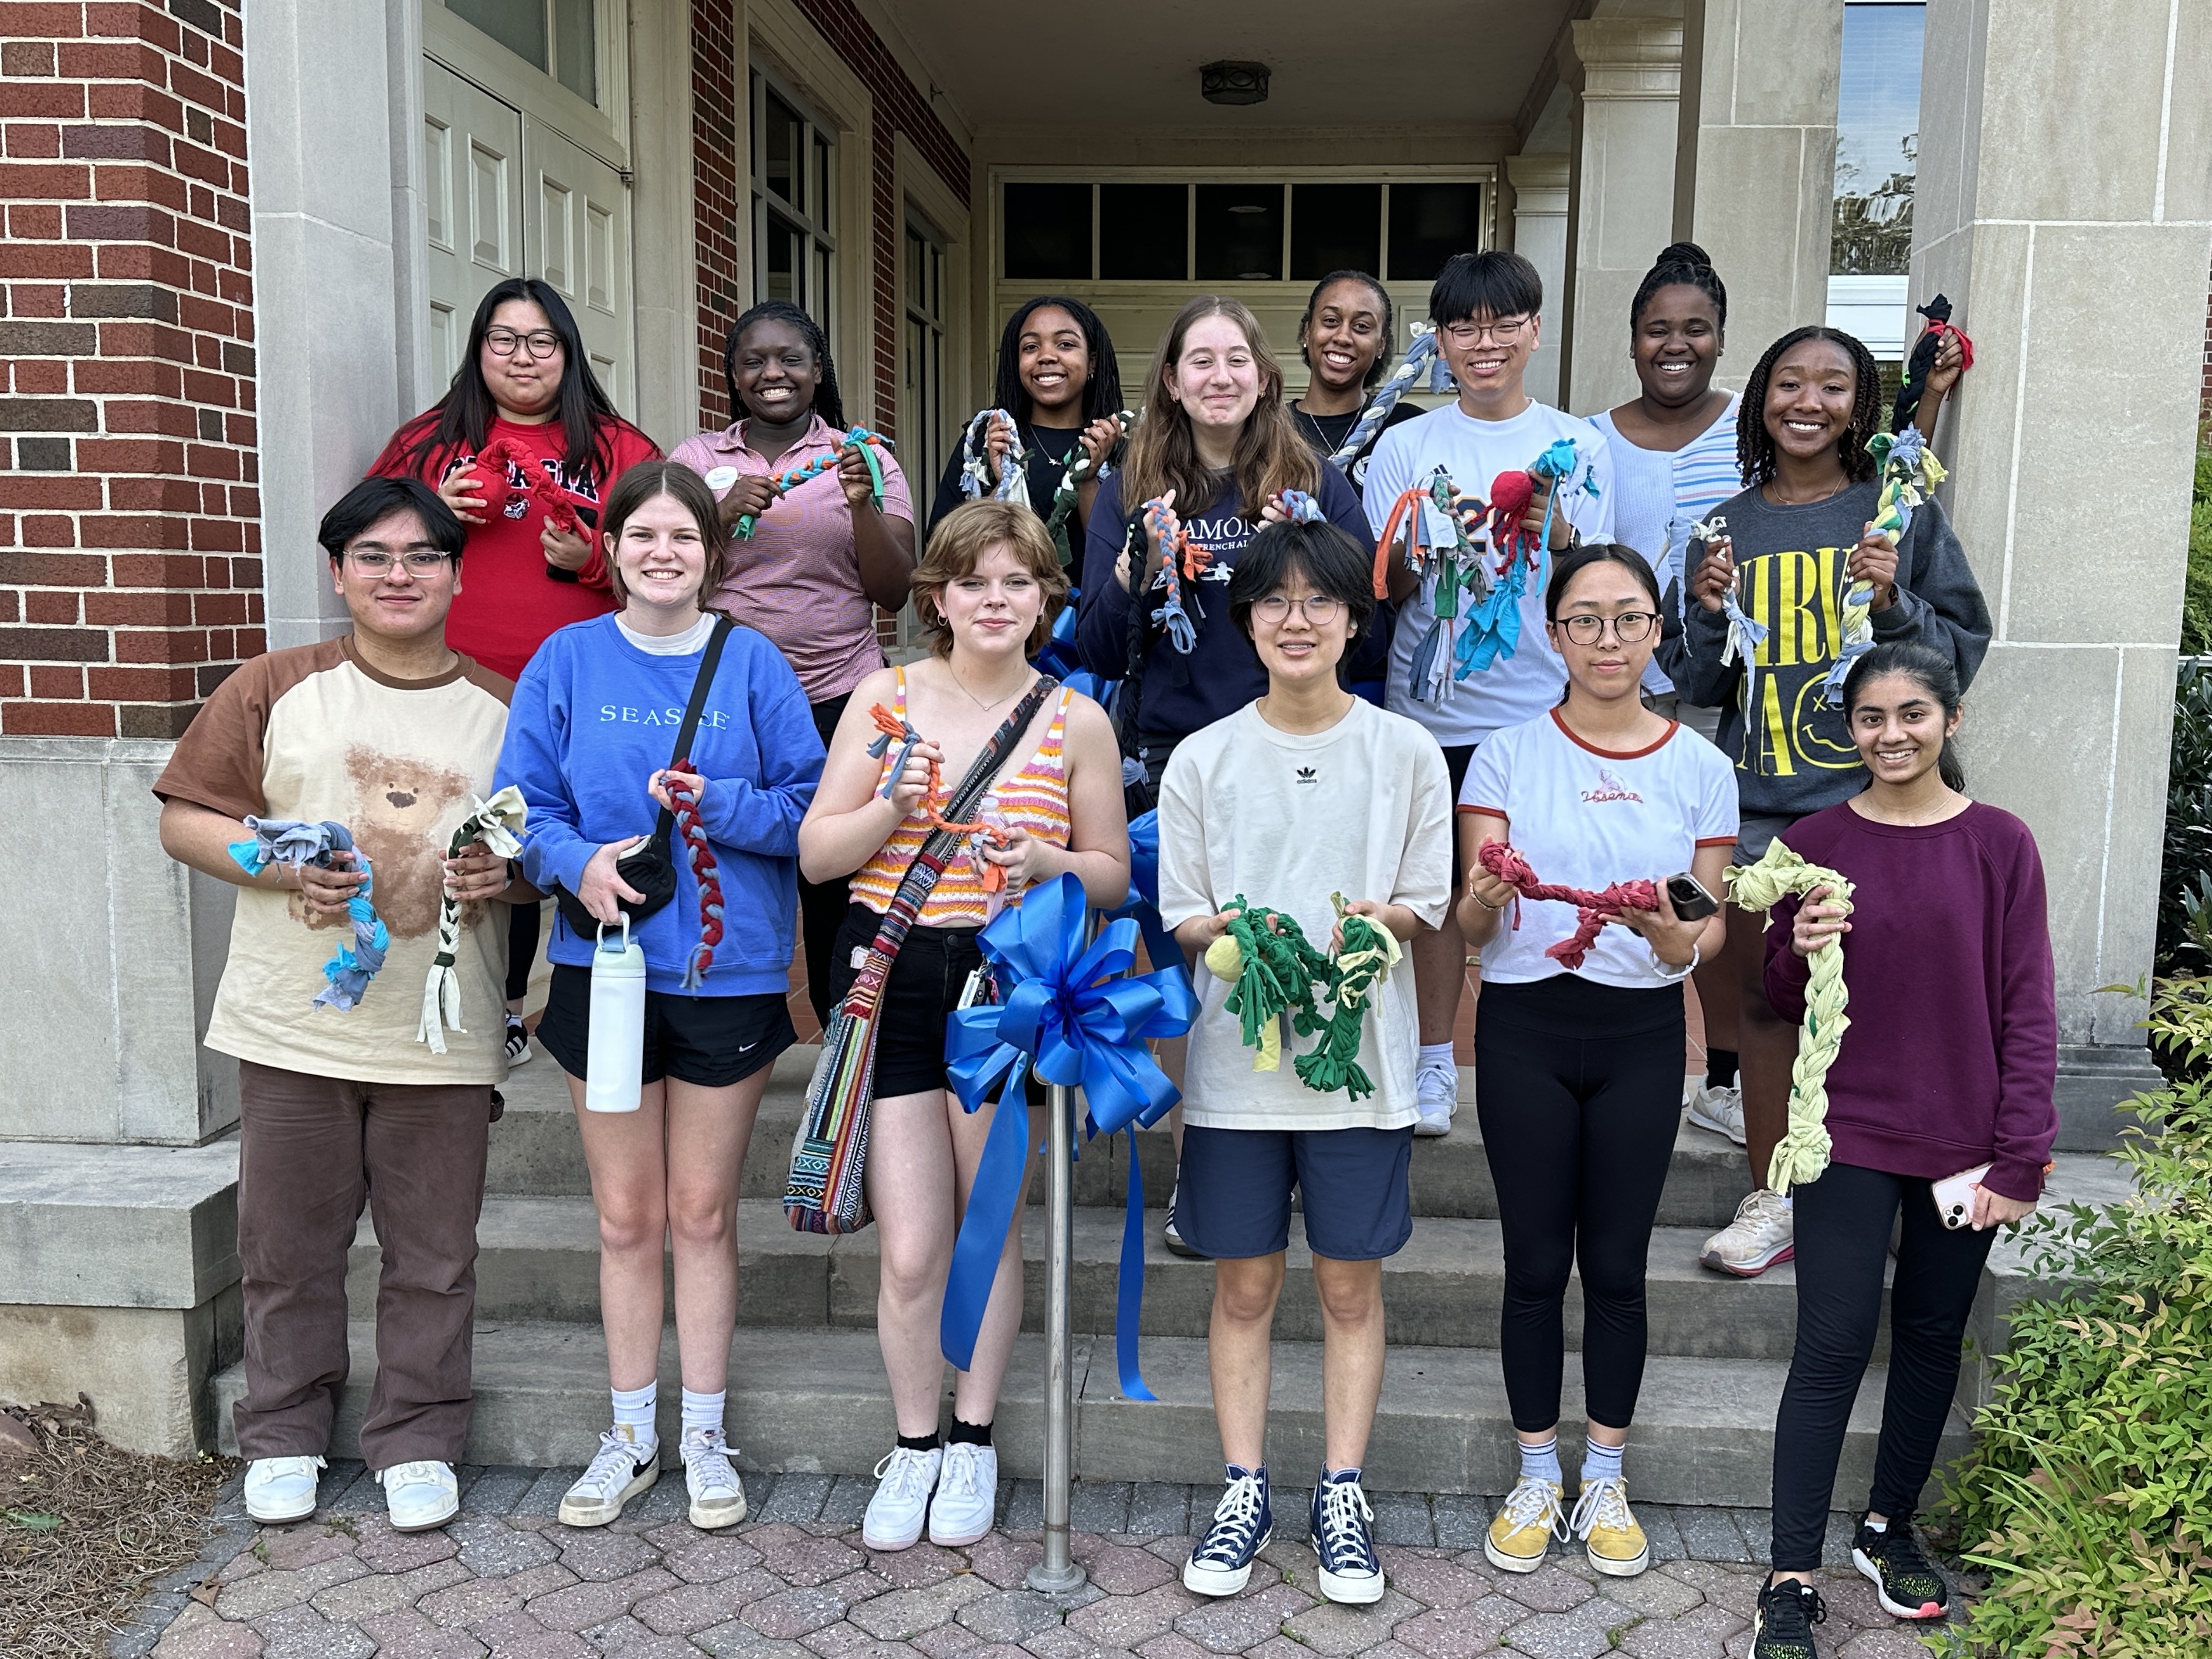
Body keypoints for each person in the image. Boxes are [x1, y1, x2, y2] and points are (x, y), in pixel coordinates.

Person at [154, 476, 523, 1534]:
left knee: (435, 1256)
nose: (398, 574)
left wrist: (509, 875)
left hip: (440, 1031)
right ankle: (283, 1431)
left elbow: (541, 848)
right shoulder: (276, 684)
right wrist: (277, 869)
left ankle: (418, 1435)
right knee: (285, 1248)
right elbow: (186, 816)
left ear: (456, 573)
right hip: (293, 1024)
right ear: (338, 572)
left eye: (422, 555)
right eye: (374, 555)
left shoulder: (506, 706)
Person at [496, 462, 825, 1532]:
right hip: (604, 970)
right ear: (612, 548)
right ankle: (631, 1431)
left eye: (684, 535)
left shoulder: (754, 661)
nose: (663, 553)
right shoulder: (566, 658)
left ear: (712, 553)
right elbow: (519, 807)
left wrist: (718, 803)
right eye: (643, 534)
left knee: (701, 1212)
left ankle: (705, 1433)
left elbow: (811, 812)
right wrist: (576, 862)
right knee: (627, 1216)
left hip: (725, 973)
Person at [798, 500, 1129, 1552]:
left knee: (987, 1231)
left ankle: (974, 1435)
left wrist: (1046, 861)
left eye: (1017, 581)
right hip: (893, 970)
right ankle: (915, 1441)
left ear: (1045, 598)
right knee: (911, 1246)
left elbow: (1112, 875)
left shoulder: (1075, 718)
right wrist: (891, 809)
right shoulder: (883, 696)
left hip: (1008, 983)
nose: (995, 599)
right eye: (973, 582)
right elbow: (818, 854)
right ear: (936, 598)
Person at [1157, 519, 1451, 1608]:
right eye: (1274, 601)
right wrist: (1238, 934)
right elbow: (1185, 912)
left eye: (1319, 600)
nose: (1297, 619)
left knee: (1347, 1283)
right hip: (1234, 1070)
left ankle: (1342, 1489)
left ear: (1353, 619)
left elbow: (1423, 899)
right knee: (1242, 1284)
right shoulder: (1202, 757)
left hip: (1358, 1065)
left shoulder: (1405, 753)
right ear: (1245, 621)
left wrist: (1383, 922)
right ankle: (1243, 1486)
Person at [1662, 327, 1992, 1280]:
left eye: (1833, 385)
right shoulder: (1721, 527)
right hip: (1764, 806)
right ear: (1761, 397)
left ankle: (1886, 1185)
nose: (1807, 401)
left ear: (1861, 403)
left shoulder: (1894, 513)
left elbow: (1959, 652)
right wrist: (1706, 613)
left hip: (1877, 805)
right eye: (1788, 383)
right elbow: (1699, 682)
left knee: (1885, 1003)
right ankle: (1777, 1195)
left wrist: (1892, 603)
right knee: (1769, 1002)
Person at [1748, 642, 2055, 1659]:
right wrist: (1796, 944)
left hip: (1963, 1141)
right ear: (1850, 729)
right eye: (1871, 717)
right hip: (1845, 1131)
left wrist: (2020, 1156)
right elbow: (1782, 998)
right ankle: (1789, 1575)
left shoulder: (2000, 844)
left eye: (1912, 713)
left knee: (1929, 1334)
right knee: (1831, 1342)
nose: (1891, 734)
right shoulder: (1815, 840)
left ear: (1949, 720)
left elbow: (2027, 1005)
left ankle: (1887, 1526)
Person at [1456, 542, 1735, 1581]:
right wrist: (1483, 899)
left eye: (1628, 618)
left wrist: (1676, 943)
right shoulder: (1506, 755)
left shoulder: (1699, 768)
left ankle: (1604, 1474)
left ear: (1658, 630)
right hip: (1526, 1026)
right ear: (1554, 633)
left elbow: (1703, 921)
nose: (1607, 638)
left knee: (1616, 1266)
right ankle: (1537, 1472)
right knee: (1534, 1263)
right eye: (1585, 618)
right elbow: (1472, 921)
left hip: (1639, 1036)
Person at [1075, 296, 1376, 1254]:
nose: (1218, 375)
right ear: (1170, 380)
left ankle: (1304, 1155)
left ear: (1263, 374)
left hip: (1298, 756)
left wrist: (1311, 550)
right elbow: (1093, 642)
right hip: (1177, 764)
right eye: (1198, 360)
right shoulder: (1130, 488)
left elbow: (1362, 620)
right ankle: (1202, 1175)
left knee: (1300, 952)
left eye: (1235, 357)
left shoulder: (1314, 480)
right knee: (1196, 977)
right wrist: (1134, 567)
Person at [371, 276, 661, 1068]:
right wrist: (430, 509)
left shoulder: (619, 448)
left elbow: (671, 557)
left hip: (581, 687)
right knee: (454, 841)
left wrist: (592, 562)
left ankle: (572, 1003)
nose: (522, 357)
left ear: (567, 352)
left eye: (541, 341)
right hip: (453, 683)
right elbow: (364, 544)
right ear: (478, 349)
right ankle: (463, 1001)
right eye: (504, 339)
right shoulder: (427, 444)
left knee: (548, 839)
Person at [1363, 250, 1616, 1139]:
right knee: (1438, 894)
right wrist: (1423, 543)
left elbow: (1597, 585)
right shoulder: (1407, 446)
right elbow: (1381, 588)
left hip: (1542, 713)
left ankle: (1528, 1057)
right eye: (1465, 327)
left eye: (1505, 324)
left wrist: (1558, 528)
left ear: (1535, 331)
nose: (1486, 343)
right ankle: (1434, 1060)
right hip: (1428, 715)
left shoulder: (1577, 447)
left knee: (1537, 884)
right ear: (1438, 340)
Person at [669, 300, 917, 1030]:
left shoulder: (863, 454)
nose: (772, 373)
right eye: (754, 361)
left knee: (837, 876)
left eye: (791, 359)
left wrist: (861, 503)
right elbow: (655, 567)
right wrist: (715, 517)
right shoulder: (696, 461)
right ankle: (733, 1028)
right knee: (732, 863)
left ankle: (845, 1033)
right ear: (732, 374)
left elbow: (894, 590)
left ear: (817, 370)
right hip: (725, 697)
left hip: (839, 693)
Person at [1586, 243, 1745, 1146]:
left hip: (1727, 699)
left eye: (1695, 329)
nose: (1675, 344)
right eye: (1657, 329)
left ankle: (1724, 1075)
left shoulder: (1755, 431)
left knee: (1712, 889)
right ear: (1633, 338)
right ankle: (1612, 1052)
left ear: (1720, 337)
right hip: (1625, 696)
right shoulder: (1591, 440)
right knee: (1626, 874)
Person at [928, 296, 1126, 548]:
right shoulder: (988, 444)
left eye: (1065, 344)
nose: (1046, 356)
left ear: (1092, 362)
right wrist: (1005, 485)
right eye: (1031, 347)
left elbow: (1123, 559)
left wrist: (1088, 481)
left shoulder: (1118, 453)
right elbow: (938, 552)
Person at [1286, 269, 1426, 497]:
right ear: (1307, 332)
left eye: (1361, 326)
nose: (1343, 337)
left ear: (1381, 345)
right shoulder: (1268, 428)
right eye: (1331, 321)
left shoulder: (1410, 427)